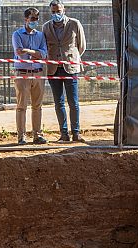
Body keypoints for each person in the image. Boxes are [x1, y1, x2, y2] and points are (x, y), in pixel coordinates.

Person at [43, 0, 87, 143]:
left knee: (73, 102)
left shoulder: (74, 23)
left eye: (59, 11)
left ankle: (76, 132)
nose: (56, 14)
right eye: (54, 12)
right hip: (53, 69)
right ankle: (64, 133)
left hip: (71, 68)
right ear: (51, 12)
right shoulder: (46, 27)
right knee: (59, 102)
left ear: (64, 9)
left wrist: (72, 57)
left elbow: (82, 46)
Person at [12, 8, 49, 145]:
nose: (35, 21)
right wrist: (35, 53)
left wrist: (28, 51)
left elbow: (44, 54)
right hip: (22, 73)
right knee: (21, 106)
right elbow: (20, 53)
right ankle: (21, 136)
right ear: (26, 19)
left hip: (38, 73)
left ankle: (37, 135)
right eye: (32, 18)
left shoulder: (40, 35)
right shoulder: (17, 34)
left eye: (37, 19)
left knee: (37, 106)